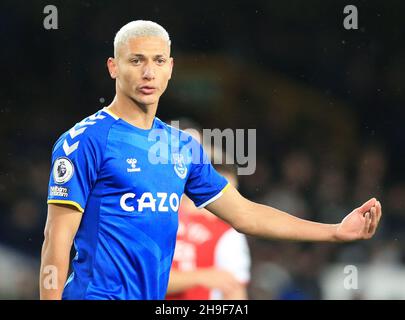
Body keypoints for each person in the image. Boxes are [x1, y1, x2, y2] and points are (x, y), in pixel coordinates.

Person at [39, 20, 382, 300]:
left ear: (170, 68)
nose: (148, 73)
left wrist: (335, 232)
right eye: (136, 60)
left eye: (158, 61)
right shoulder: (84, 141)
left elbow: (246, 214)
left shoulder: (180, 147)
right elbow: (56, 242)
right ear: (113, 67)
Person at [166, 163, 251, 300]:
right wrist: (199, 277)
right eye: (222, 193)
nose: (229, 202)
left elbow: (234, 290)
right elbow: (142, 277)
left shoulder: (228, 234)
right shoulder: (163, 216)